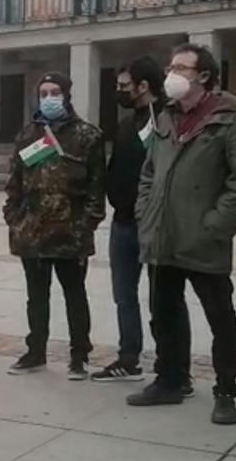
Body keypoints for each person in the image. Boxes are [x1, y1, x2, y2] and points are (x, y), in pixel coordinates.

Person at [128, 44, 236, 426]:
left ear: (203, 76)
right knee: (164, 314)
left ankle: (225, 391)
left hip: (203, 239)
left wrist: (216, 226)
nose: (171, 73)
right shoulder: (165, 118)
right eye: (170, 66)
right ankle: (170, 380)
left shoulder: (230, 119)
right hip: (162, 237)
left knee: (221, 318)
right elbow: (149, 171)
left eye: (181, 67)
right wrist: (145, 213)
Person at [3, 72, 105, 381]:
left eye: (55, 92)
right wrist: (14, 216)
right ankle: (36, 351)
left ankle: (79, 356)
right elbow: (15, 183)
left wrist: (87, 224)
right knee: (36, 296)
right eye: (44, 93)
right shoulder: (26, 136)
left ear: (67, 95)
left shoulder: (87, 136)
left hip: (69, 233)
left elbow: (96, 189)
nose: (49, 98)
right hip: (32, 232)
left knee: (74, 294)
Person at [91, 57, 167, 382]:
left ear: (143, 86)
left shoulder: (163, 122)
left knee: (162, 298)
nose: (118, 91)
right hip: (122, 223)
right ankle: (129, 356)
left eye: (124, 86)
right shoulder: (126, 124)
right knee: (124, 295)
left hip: (153, 223)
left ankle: (170, 363)